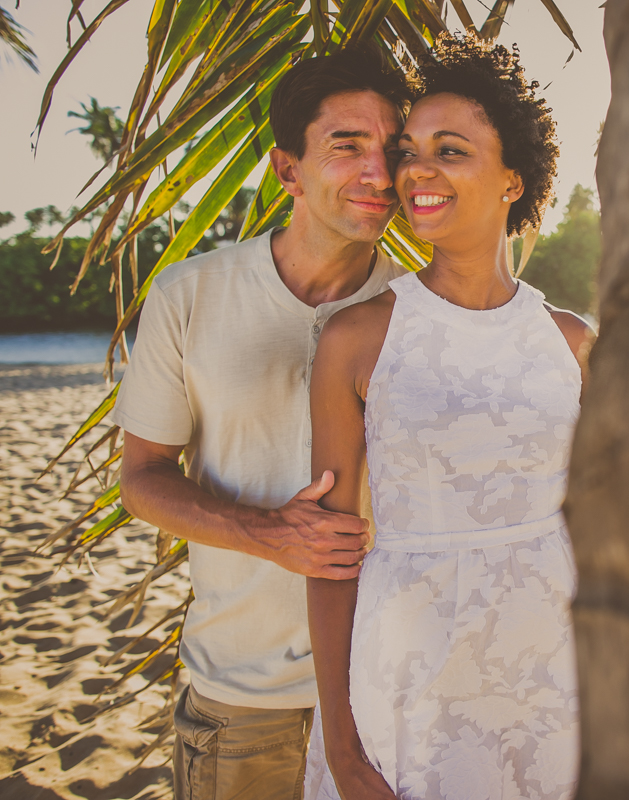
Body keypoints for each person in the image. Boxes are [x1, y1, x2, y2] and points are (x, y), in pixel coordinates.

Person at [113, 48, 412, 800]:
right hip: (242, 699)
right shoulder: (189, 293)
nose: (380, 173)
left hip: (391, 693)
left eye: (392, 148)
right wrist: (269, 533)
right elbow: (142, 479)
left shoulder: (421, 314)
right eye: (348, 147)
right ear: (288, 170)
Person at [302, 34, 592, 800]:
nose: (415, 171)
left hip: (554, 679)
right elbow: (329, 555)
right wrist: (338, 740)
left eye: (450, 150)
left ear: (512, 182)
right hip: (410, 686)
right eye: (409, 150)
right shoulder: (357, 340)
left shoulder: (574, 343)